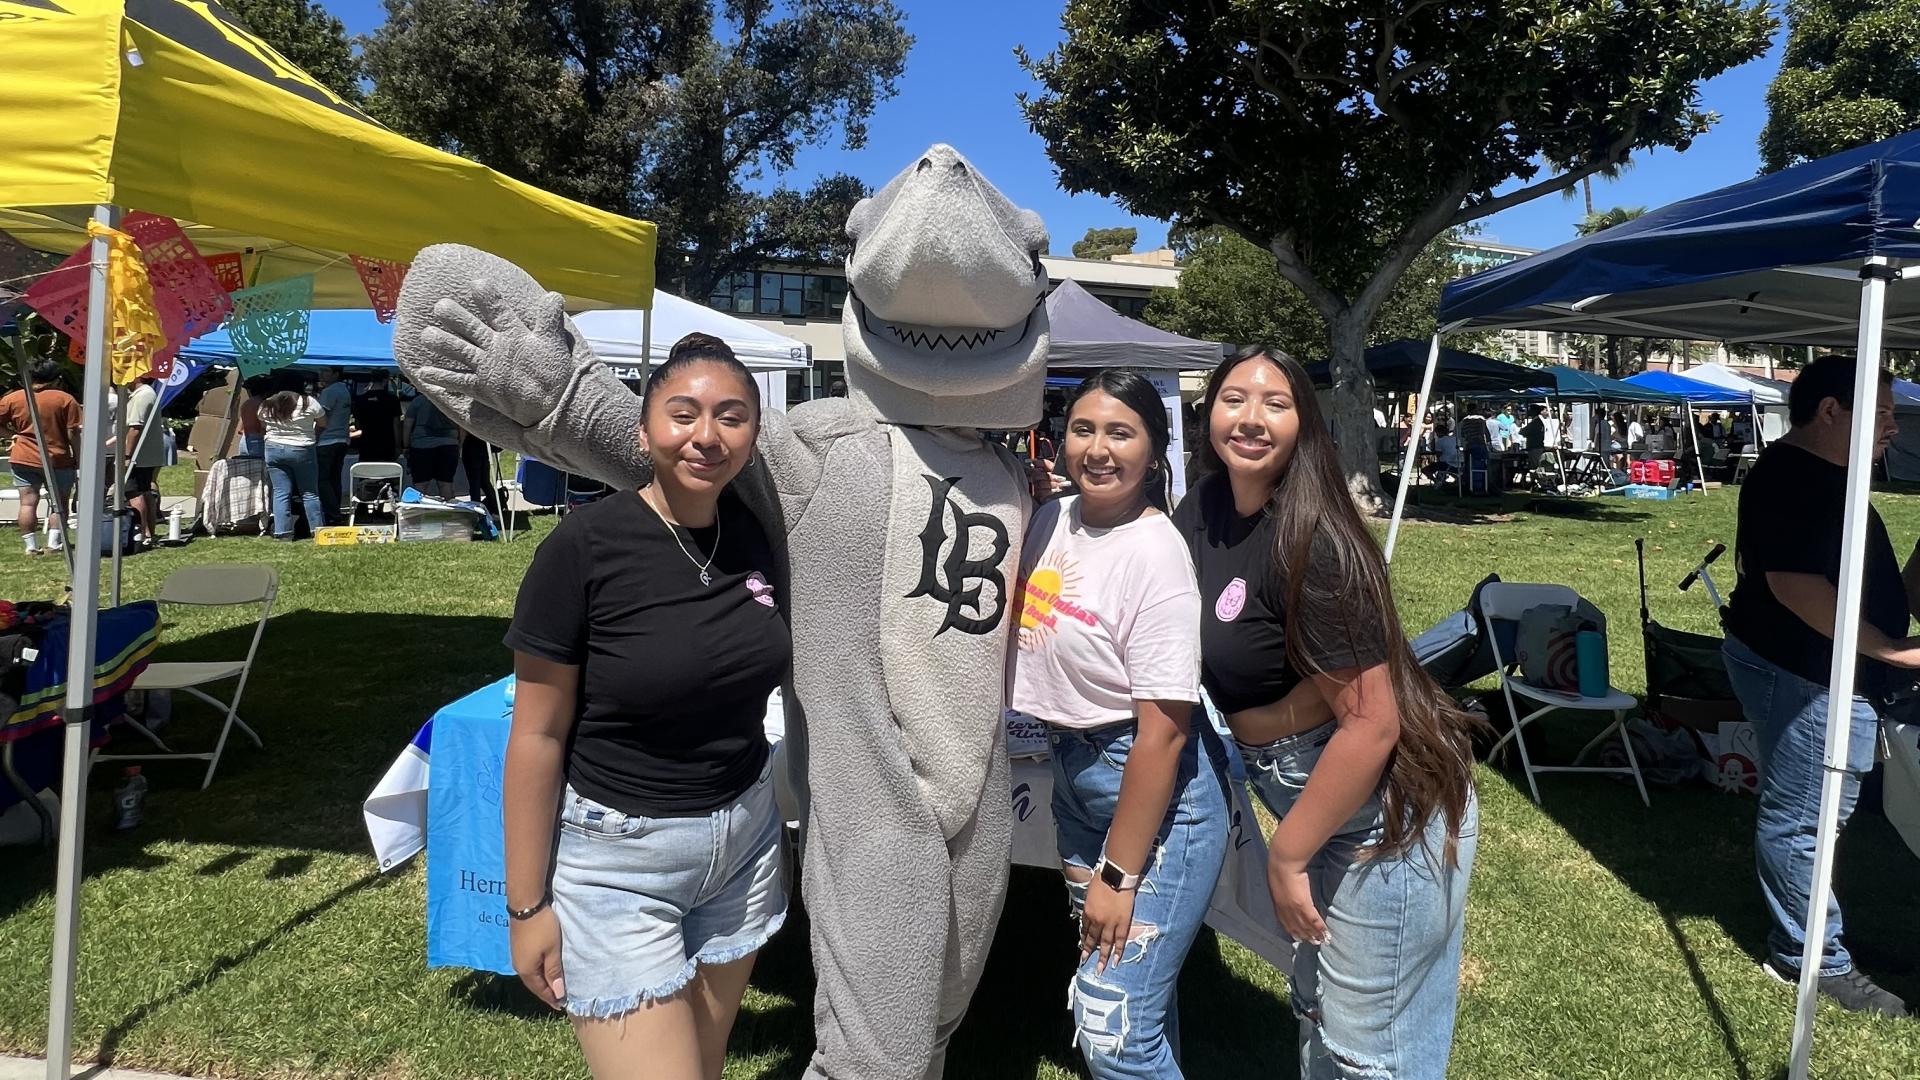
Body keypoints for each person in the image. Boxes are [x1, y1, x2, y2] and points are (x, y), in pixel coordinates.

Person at [1174, 345, 1481, 1079]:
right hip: (1310, 791)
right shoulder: (1204, 508)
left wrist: (1288, 855)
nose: (1250, 417)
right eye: (1234, 398)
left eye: (1275, 403)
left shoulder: (1316, 540)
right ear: (1207, 410)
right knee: (1316, 1011)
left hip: (1389, 816)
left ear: (1304, 425)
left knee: (1370, 1049)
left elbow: (1373, 723)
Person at [502, 335, 789, 1079]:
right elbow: (535, 733)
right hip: (619, 862)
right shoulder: (584, 548)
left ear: (754, 435)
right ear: (643, 431)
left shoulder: (759, 538)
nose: (706, 435)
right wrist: (527, 907)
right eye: (683, 413)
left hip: (745, 845)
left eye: (731, 416)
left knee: (705, 1063)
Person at [1011, 371, 1224, 1077]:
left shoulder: (1156, 556)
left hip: (1153, 796)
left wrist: (1120, 873)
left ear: (1156, 450)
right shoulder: (1052, 519)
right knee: (1139, 1002)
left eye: (1121, 433)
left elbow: (1163, 732)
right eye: (1083, 429)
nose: (1098, 449)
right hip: (1076, 780)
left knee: (1109, 1024)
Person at [1720, 354, 1918, 1018]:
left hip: (1823, 668)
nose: (1893, 426)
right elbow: (1796, 586)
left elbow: (1872, 580)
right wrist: (1893, 649)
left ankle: (1819, 938)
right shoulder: (1793, 478)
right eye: (1883, 413)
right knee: (1804, 818)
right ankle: (1809, 958)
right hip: (1803, 673)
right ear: (1831, 411)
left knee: (1817, 814)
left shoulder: (1834, 474)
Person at [0, 360, 82, 555]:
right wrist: (79, 456)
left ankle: (30, 546)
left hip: (23, 457)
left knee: (27, 502)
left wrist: (11, 435)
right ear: (55, 378)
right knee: (59, 503)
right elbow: (73, 433)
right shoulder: (65, 399)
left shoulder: (13, 398)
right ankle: (53, 544)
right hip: (57, 458)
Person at [259, 383, 328, 541]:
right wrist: (313, 435)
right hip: (302, 448)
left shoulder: (267, 403)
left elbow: (263, 426)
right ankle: (316, 531)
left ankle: (282, 532)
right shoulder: (308, 402)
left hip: (273, 448)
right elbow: (323, 422)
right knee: (309, 492)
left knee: (281, 492)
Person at [109, 375, 169, 548]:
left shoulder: (142, 395)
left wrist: (127, 456)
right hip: (146, 454)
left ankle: (141, 534)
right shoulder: (145, 394)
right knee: (145, 491)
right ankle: (148, 532)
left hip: (139, 456)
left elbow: (135, 428)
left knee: (134, 493)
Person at [404, 385, 461, 499]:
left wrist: (405, 445)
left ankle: (418, 514)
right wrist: (459, 444)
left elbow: (407, 425)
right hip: (448, 445)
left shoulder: (418, 401)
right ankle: (448, 513)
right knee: (446, 484)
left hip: (422, 445)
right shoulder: (450, 402)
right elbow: (461, 425)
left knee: (420, 484)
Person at [314, 367, 353, 526]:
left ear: (336, 374)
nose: (322, 374)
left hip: (326, 440)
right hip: (341, 440)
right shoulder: (345, 390)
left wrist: (314, 437)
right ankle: (335, 510)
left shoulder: (329, 392)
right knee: (334, 478)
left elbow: (322, 419)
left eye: (326, 371)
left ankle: (332, 512)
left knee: (322, 479)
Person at [351, 377, 404, 464]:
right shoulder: (393, 399)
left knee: (365, 474)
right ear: (385, 380)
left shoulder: (360, 400)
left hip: (366, 444)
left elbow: (357, 424)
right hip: (387, 444)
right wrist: (398, 446)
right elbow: (396, 424)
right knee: (387, 474)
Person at [237, 376, 271, 457]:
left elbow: (239, 428)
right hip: (257, 439)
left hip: (244, 438)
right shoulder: (262, 404)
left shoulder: (246, 403)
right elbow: (263, 426)